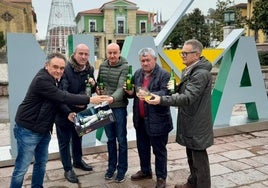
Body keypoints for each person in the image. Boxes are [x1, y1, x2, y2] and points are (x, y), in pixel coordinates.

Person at [10, 52, 106, 188]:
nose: (59, 71)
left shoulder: (56, 78)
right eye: (55, 67)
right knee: (22, 168)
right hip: (28, 129)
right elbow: (62, 96)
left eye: (61, 68)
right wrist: (90, 99)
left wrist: (68, 113)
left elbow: (56, 100)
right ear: (46, 66)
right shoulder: (42, 80)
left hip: (44, 129)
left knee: (41, 163)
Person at [147, 39, 214, 188]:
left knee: (199, 159)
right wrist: (175, 88)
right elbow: (185, 91)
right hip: (191, 120)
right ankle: (192, 183)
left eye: (185, 53)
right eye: (181, 52)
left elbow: (188, 97)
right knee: (191, 156)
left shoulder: (201, 74)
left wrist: (161, 100)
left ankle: (202, 185)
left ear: (196, 55)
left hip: (197, 123)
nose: (182, 55)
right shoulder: (190, 70)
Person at [124, 47, 173, 188]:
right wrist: (129, 91)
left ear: (155, 60)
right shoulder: (138, 73)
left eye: (148, 60)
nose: (145, 63)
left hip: (158, 121)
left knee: (159, 151)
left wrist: (147, 94)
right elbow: (133, 93)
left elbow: (166, 92)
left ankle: (161, 177)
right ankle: (145, 171)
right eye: (142, 60)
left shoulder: (164, 74)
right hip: (140, 120)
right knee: (142, 148)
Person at [55, 44, 96, 183]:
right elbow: (61, 94)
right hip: (64, 111)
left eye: (86, 54)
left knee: (78, 137)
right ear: (74, 54)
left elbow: (91, 90)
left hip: (81, 111)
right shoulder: (66, 69)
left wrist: (94, 84)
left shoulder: (90, 69)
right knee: (64, 141)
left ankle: (78, 161)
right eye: (81, 53)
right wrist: (74, 105)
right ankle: (68, 169)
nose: (84, 57)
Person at [97, 43, 129, 183]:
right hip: (104, 107)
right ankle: (111, 167)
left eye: (115, 53)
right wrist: (98, 90)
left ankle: (121, 169)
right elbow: (100, 83)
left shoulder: (125, 67)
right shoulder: (103, 66)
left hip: (118, 107)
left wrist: (112, 98)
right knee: (110, 139)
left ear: (119, 52)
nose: (112, 56)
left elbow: (121, 88)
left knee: (121, 140)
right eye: (109, 53)